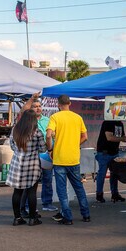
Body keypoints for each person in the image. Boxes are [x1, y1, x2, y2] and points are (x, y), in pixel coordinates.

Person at [45, 94, 91, 225]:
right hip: (73, 158)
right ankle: (86, 214)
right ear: (70, 103)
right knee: (78, 187)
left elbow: (48, 135)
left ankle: (67, 216)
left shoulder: (55, 117)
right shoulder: (77, 117)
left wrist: (50, 149)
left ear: (58, 105)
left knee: (62, 190)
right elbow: (85, 137)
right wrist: (75, 144)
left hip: (59, 158)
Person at [6, 110, 45, 226]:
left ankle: (17, 218)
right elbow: (43, 149)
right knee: (31, 191)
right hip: (32, 164)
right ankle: (33, 219)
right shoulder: (36, 132)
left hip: (17, 164)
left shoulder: (15, 130)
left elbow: (12, 146)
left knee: (17, 191)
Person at [20, 92, 55, 212]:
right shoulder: (27, 121)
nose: (38, 108)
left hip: (46, 155)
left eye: (40, 106)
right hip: (32, 156)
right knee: (30, 183)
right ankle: (27, 206)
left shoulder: (48, 120)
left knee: (48, 180)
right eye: (35, 106)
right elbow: (23, 111)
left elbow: (53, 135)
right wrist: (32, 98)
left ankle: (47, 203)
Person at [95, 120, 126, 203]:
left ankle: (115, 194)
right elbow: (109, 137)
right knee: (102, 173)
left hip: (114, 152)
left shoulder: (120, 123)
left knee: (114, 174)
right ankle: (99, 194)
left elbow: (122, 136)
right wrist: (124, 139)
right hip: (104, 152)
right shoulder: (108, 122)